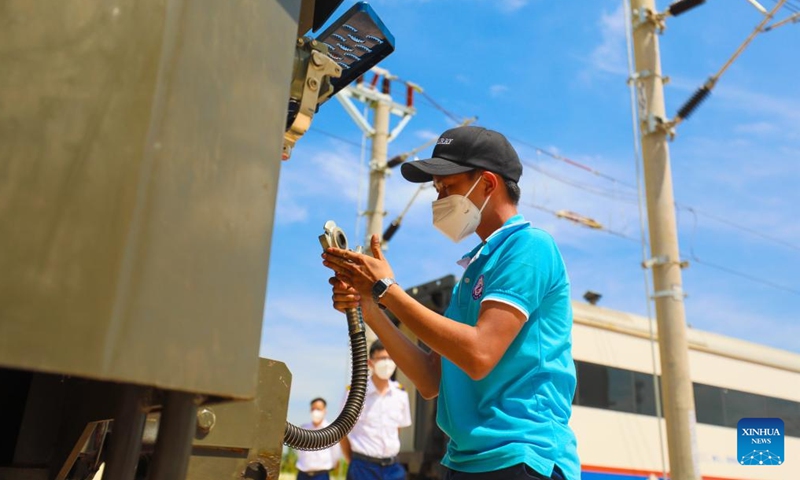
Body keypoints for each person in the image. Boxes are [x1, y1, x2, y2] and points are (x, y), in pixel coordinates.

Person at [322, 126, 580, 480]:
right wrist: (370, 305)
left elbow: (479, 355)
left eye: (449, 187)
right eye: (437, 189)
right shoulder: (475, 269)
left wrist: (386, 289)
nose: (439, 198)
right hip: (465, 460)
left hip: (521, 455)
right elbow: (430, 380)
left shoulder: (529, 247)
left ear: (488, 184)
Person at [339, 340, 411, 480]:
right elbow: (342, 431)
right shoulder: (355, 392)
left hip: (393, 469)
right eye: (382, 358)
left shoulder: (401, 394)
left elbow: (397, 430)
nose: (387, 363)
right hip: (363, 467)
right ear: (370, 363)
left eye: (390, 359)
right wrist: (353, 461)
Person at [295, 397, 341, 480]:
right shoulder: (303, 429)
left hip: (321, 475)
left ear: (325, 411)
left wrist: (332, 465)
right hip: (302, 474)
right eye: (313, 409)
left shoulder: (331, 430)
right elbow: (299, 451)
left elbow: (335, 452)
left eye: (318, 409)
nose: (315, 411)